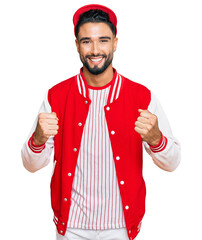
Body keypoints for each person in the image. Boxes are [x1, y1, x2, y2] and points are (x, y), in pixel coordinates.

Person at [21, 4, 180, 240]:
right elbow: (31, 165)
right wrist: (38, 139)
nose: (95, 50)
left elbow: (173, 162)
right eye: (86, 41)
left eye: (103, 40)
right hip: (71, 226)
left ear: (115, 42)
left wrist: (156, 139)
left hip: (121, 227)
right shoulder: (56, 96)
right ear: (77, 45)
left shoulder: (141, 96)